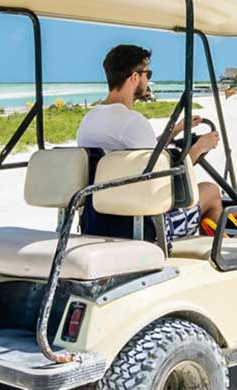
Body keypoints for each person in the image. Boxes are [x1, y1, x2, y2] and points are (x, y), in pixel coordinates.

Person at [77, 44, 223, 243]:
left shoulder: (89, 119)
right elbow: (162, 177)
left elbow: (143, 157)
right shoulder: (132, 121)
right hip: (143, 227)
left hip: (96, 222)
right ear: (134, 77)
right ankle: (214, 259)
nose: (149, 80)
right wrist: (200, 148)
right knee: (211, 192)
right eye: (148, 73)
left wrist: (174, 131)